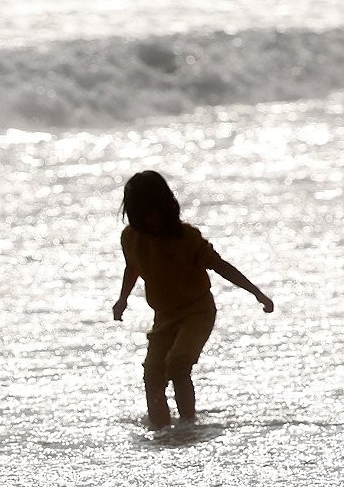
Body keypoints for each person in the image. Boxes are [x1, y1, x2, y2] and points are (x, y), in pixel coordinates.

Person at [112, 170, 274, 429]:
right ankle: (161, 429)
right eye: (145, 214)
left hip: (197, 312)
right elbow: (132, 267)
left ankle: (188, 425)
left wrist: (256, 293)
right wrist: (123, 299)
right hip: (164, 316)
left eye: (157, 212)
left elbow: (220, 266)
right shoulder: (131, 238)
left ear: (167, 208)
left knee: (178, 362)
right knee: (152, 373)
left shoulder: (187, 238)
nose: (153, 220)